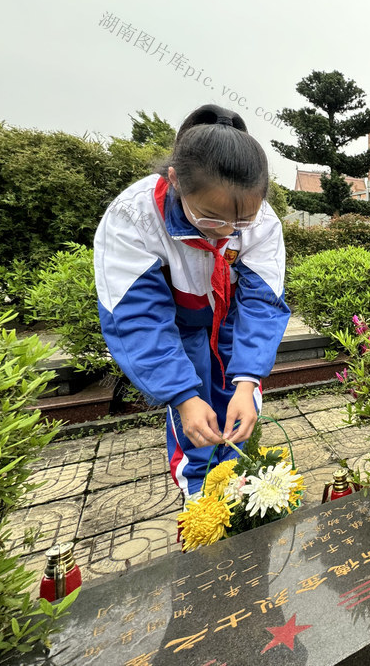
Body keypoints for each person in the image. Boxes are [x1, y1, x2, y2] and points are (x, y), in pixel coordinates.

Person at [95, 104, 290, 500]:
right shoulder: (135, 216)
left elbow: (261, 302)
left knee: (236, 411)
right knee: (196, 424)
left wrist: (248, 381)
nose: (225, 235)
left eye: (240, 224)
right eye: (210, 218)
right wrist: (183, 396)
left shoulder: (263, 221)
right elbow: (138, 318)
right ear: (175, 181)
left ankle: (239, 492)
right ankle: (198, 505)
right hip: (180, 323)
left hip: (230, 317)